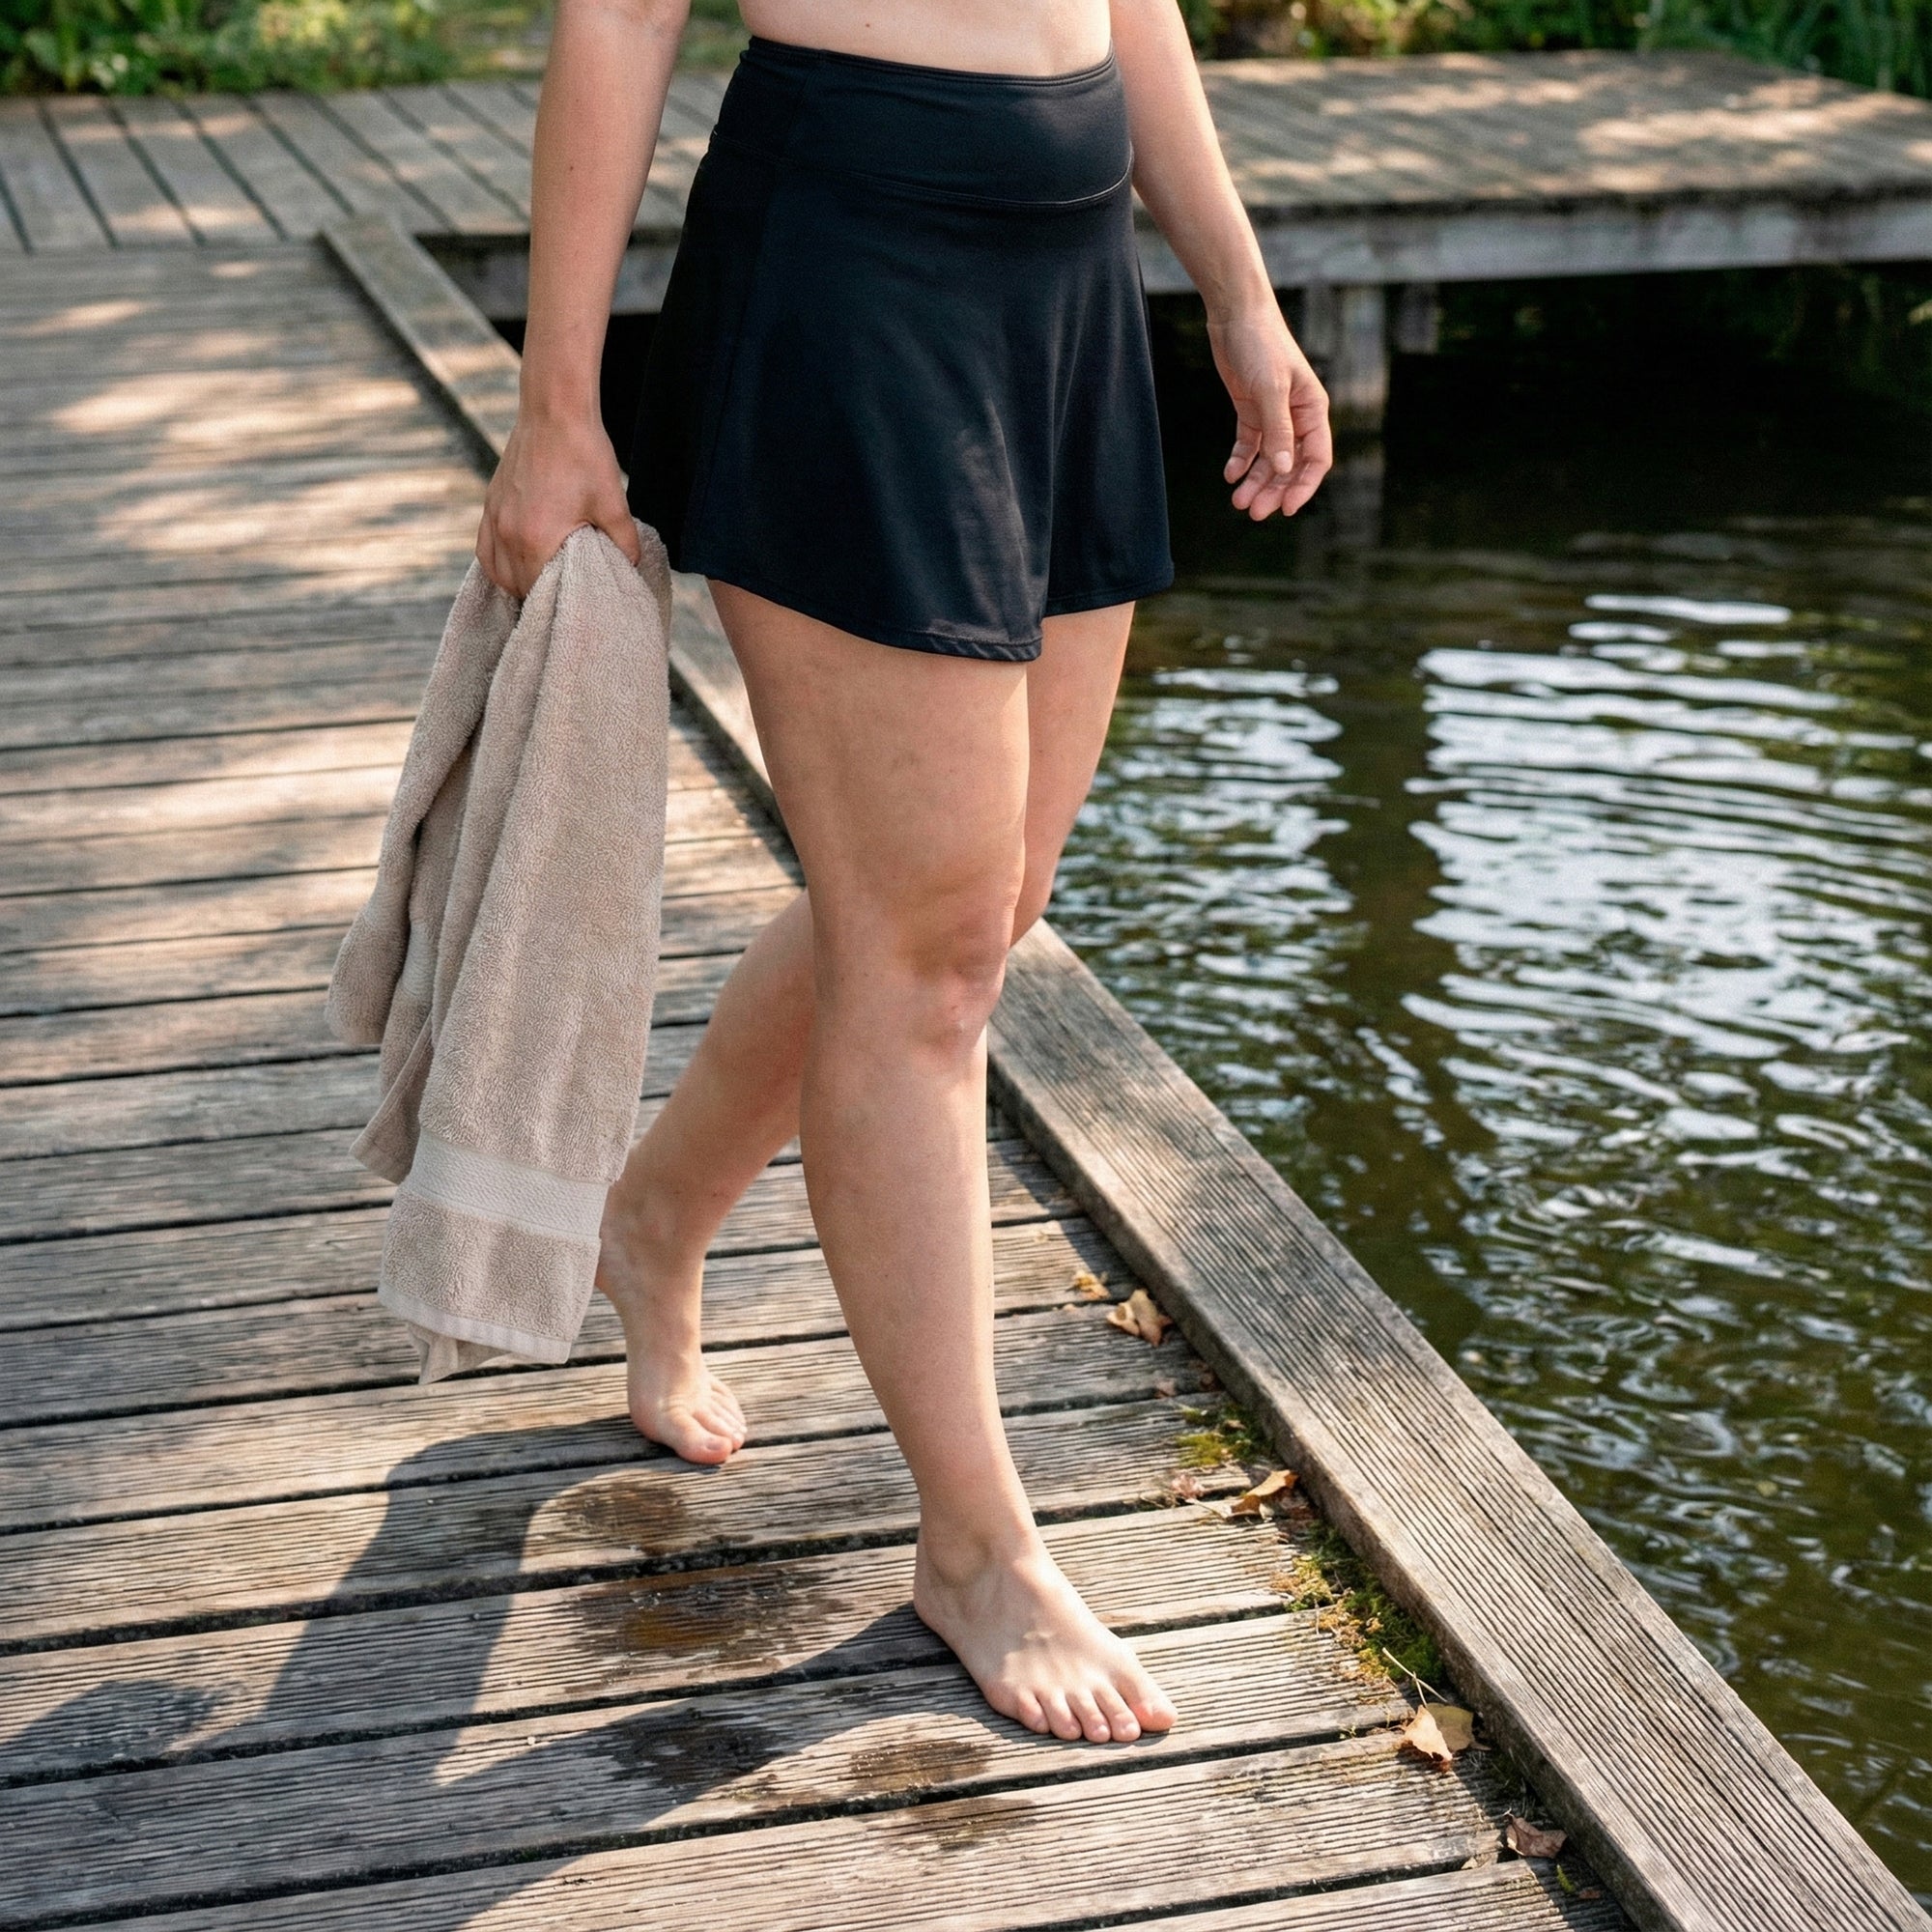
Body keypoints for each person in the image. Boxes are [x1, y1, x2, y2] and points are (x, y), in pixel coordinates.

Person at [474, 0, 1332, 1749]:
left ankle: (652, 1219)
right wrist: (557, 407)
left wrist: (1237, 290)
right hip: (854, 260)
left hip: (1066, 266)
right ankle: (975, 1547)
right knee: (928, 967)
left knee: (974, 915)